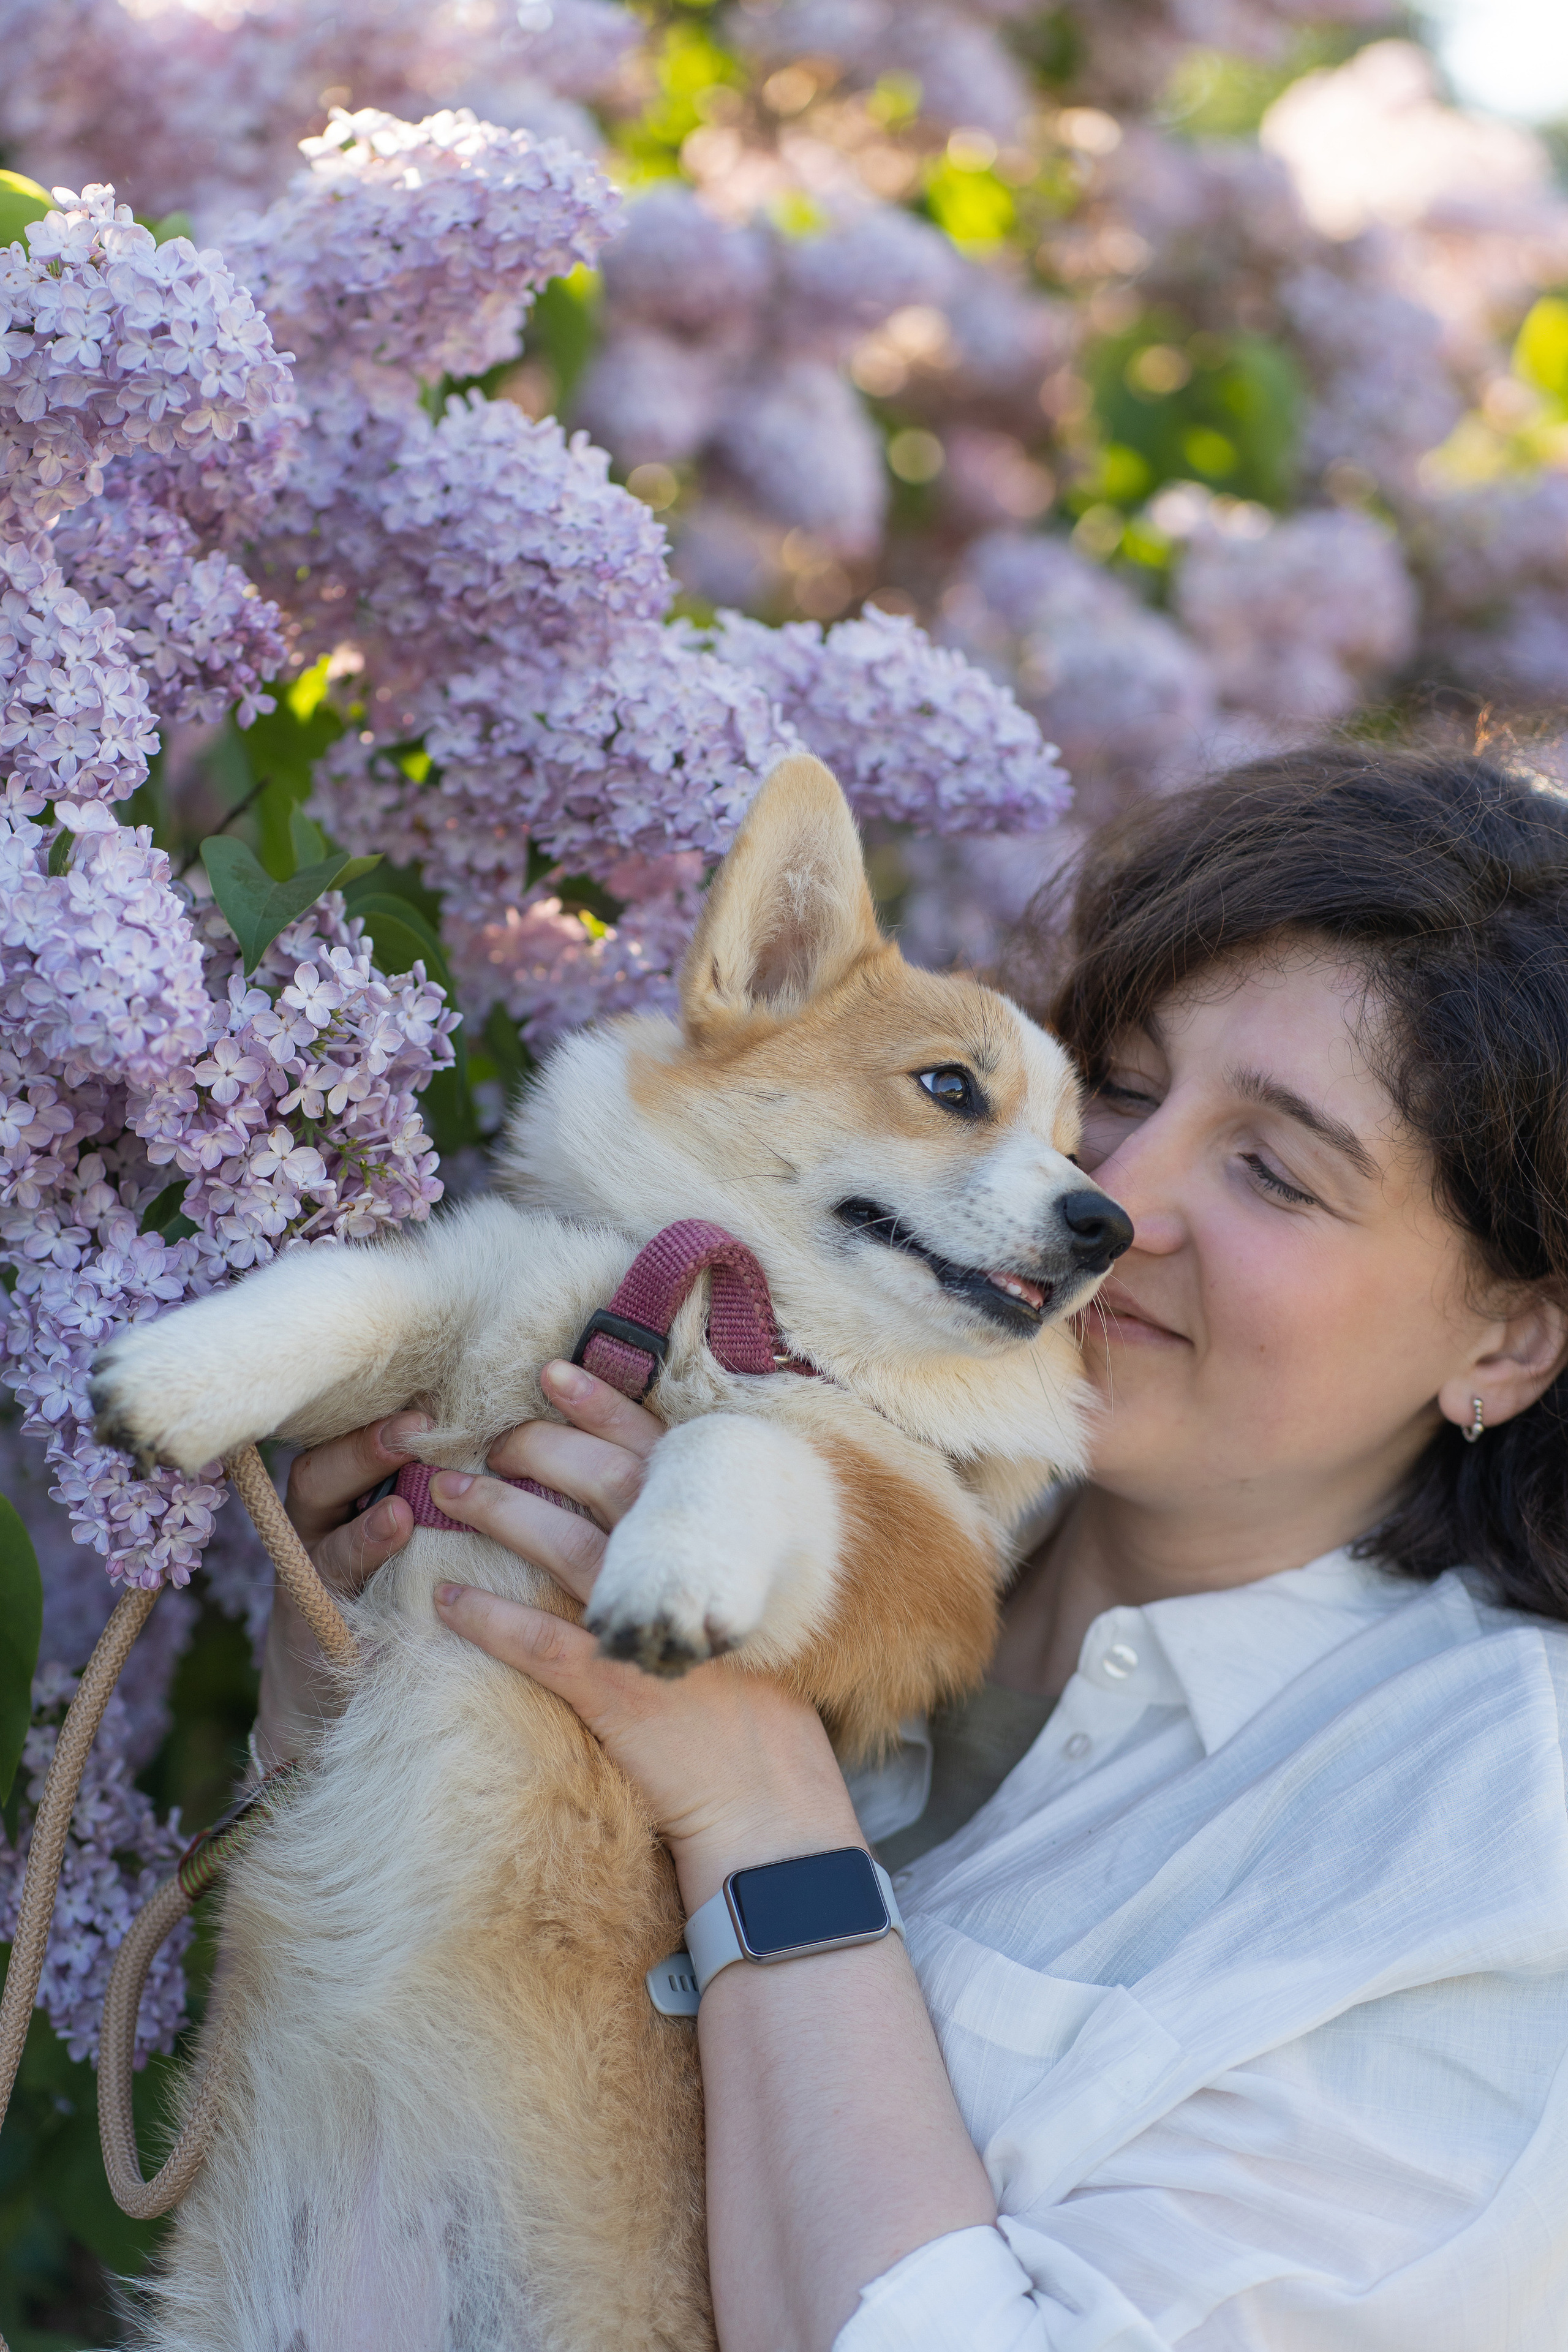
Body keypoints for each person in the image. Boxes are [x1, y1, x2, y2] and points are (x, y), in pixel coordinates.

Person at [258, 746, 1568, 2350]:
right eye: (1117, 1088)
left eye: (1275, 1171)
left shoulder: (1497, 1845)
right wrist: (351, 1684)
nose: (1114, 1194)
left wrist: (760, 1805)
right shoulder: (789, 1441)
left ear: (1507, 1341)